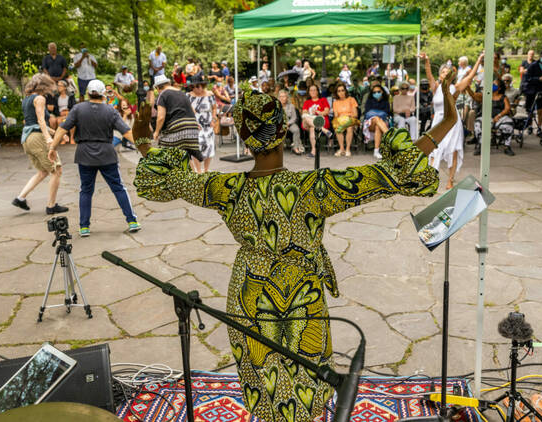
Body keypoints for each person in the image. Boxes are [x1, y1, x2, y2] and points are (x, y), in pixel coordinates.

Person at [131, 76, 458, 422]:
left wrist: (141, 137)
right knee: (306, 378)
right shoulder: (315, 187)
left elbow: (166, 178)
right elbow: (391, 172)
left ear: (243, 138)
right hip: (302, 291)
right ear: (283, 133)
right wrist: (447, 122)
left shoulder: (224, 186)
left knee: (263, 379)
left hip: (250, 291)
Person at [46, 80, 140, 236]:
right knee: (118, 187)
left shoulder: (77, 109)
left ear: (88, 93)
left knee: (86, 190)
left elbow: (62, 129)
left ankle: (84, 227)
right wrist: (143, 147)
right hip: (107, 154)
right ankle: (132, 221)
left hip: (85, 154)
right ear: (103, 93)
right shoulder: (110, 111)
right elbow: (126, 132)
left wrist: (52, 148)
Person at [422, 53, 481, 189]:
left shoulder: (456, 88)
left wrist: (478, 60)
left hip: (452, 122)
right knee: (434, 150)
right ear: (440, 76)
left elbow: (470, 76)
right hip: (438, 122)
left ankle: (450, 180)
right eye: (443, 72)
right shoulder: (436, 87)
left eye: (448, 72)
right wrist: (427, 60)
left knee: (453, 150)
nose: (446, 74)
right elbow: (429, 75)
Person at [12, 74, 67, 214]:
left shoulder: (27, 99)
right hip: (37, 138)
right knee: (56, 170)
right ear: (44, 85)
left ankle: (20, 198)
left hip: (27, 139)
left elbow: (34, 122)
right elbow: (41, 121)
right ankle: (51, 205)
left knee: (43, 171)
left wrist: (57, 133)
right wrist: (49, 139)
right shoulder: (40, 98)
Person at [151, 74, 203, 161]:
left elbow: (160, 117)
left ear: (158, 88)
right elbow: (193, 111)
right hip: (192, 129)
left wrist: (156, 132)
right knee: (184, 155)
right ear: (168, 83)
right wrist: (195, 124)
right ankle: (194, 152)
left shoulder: (162, 95)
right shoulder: (181, 93)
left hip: (178, 129)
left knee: (164, 147)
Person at [467, 77, 515, 156]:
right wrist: (467, 87)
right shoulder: (485, 95)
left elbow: (507, 108)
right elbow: (473, 95)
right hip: (486, 117)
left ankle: (507, 146)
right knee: (478, 124)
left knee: (508, 124)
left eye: (494, 84)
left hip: (500, 118)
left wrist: (499, 116)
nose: (492, 85)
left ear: (499, 88)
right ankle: (480, 145)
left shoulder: (503, 97)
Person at [188, 77, 217, 173]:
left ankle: (206, 170)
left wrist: (213, 119)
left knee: (209, 147)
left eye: (198, 86)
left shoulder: (210, 95)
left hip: (208, 124)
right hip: (195, 124)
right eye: (193, 87)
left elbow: (214, 108)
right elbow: (187, 111)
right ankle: (198, 171)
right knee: (197, 147)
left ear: (202, 86)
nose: (196, 89)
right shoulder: (188, 96)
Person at [301, 83, 332, 158]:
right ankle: (325, 130)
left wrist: (320, 112)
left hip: (321, 120)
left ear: (318, 91)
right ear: (309, 92)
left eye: (315, 90)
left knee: (313, 128)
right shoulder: (307, 102)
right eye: (311, 90)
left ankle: (313, 151)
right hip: (308, 121)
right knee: (305, 117)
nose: (313, 92)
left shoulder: (323, 100)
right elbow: (304, 113)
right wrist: (311, 113)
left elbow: (327, 111)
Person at [331, 83, 359, 157]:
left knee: (349, 127)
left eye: (342, 90)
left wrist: (346, 116)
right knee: (337, 127)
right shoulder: (335, 102)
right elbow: (336, 116)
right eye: (339, 91)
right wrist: (341, 119)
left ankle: (348, 149)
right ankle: (342, 148)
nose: (341, 92)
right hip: (341, 120)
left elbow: (355, 114)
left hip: (351, 119)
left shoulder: (351, 99)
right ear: (336, 93)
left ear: (345, 91)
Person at [362, 84, 390, 159]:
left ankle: (376, 151)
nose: (376, 93)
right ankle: (391, 137)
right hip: (370, 123)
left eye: (378, 91)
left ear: (382, 92)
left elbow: (388, 112)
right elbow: (367, 113)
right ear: (372, 93)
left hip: (382, 123)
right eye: (374, 92)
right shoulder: (369, 101)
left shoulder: (385, 101)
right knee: (377, 118)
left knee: (378, 126)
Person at [278, 89, 303, 155]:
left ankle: (296, 147)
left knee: (296, 129)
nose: (282, 98)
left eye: (284, 96)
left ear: (287, 98)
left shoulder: (291, 106)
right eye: (281, 97)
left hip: (289, 122)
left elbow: (294, 117)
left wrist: (288, 124)